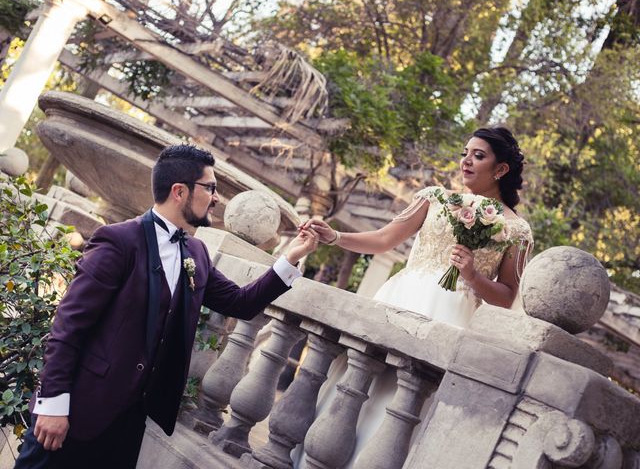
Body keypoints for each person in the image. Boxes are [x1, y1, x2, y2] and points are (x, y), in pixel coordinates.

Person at [14, 144, 319, 469]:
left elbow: (240, 303)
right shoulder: (118, 241)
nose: (216, 198)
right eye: (210, 188)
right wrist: (52, 405)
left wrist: (291, 259)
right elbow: (67, 327)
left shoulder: (197, 253)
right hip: (75, 412)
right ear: (179, 191)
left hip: (128, 424)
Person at [292, 126, 533, 468]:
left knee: (404, 406)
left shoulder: (517, 230)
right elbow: (383, 240)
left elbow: (507, 297)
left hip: (454, 319)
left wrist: (473, 276)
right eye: (465, 153)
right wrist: (334, 236)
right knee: (359, 385)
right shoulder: (434, 198)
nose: (466, 161)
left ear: (501, 169)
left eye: (478, 156)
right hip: (401, 300)